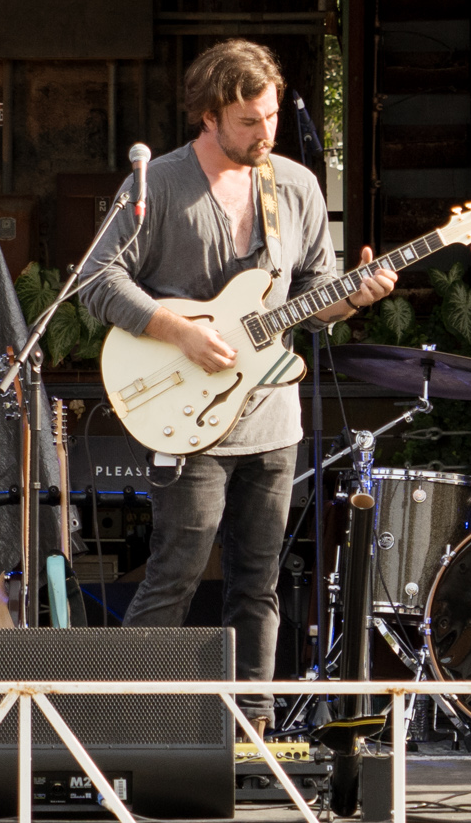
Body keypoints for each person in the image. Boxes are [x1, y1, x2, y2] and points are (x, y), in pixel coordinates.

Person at [79, 38, 394, 677]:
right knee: (176, 576)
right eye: (249, 121)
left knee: (258, 586)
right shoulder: (158, 182)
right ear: (210, 116)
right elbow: (96, 279)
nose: (265, 133)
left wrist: (353, 299)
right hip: (188, 416)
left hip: (272, 419)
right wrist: (177, 330)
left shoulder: (297, 185)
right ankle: (129, 723)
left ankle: (254, 724)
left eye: (272, 117)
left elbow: (310, 295)